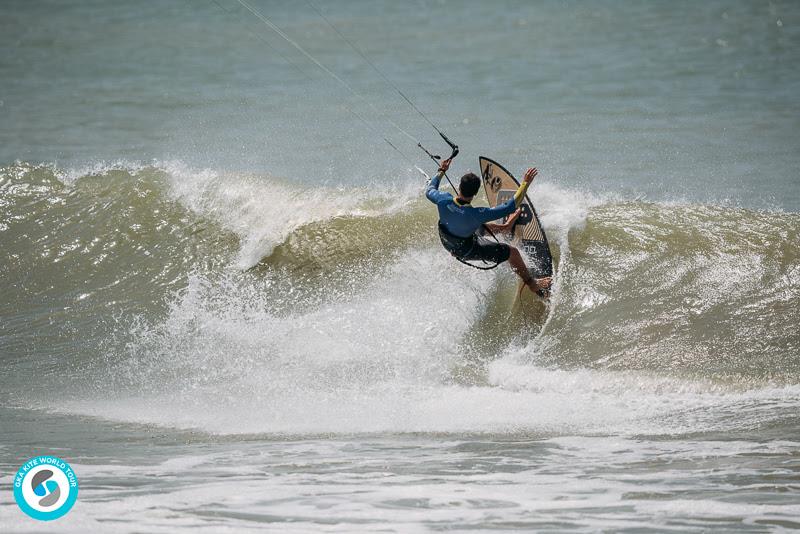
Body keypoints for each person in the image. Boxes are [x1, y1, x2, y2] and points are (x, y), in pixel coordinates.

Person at [426, 158, 551, 296]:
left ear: (460, 187)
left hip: (448, 242)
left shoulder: (442, 199)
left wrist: (442, 170)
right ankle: (532, 284)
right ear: (475, 194)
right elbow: (510, 207)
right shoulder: (477, 214)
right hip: (466, 250)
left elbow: (430, 189)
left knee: (473, 225)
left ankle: (505, 227)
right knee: (512, 252)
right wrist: (525, 183)